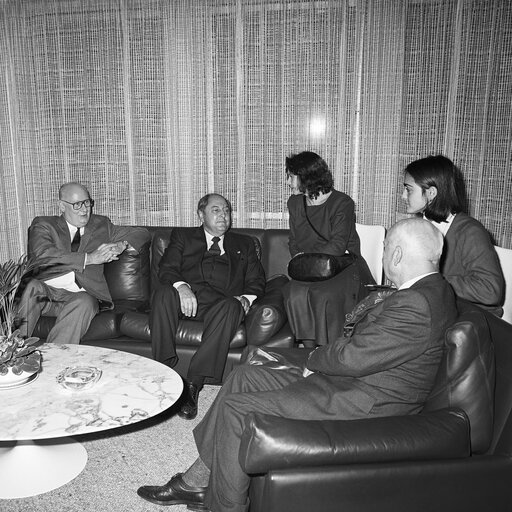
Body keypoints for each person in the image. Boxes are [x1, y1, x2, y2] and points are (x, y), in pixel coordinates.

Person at [137, 217, 458, 512]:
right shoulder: (430, 291)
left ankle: (223, 506)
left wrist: (314, 359)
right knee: (242, 377)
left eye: (387, 249)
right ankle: (196, 482)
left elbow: (350, 357)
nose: (384, 255)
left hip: (362, 400)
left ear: (398, 255)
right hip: (358, 380)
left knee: (237, 410)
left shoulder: (416, 302)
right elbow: (363, 351)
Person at [149, 193, 266, 420]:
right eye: (216, 210)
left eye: (226, 211)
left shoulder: (244, 243)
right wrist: (182, 288)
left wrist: (245, 298)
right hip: (184, 300)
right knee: (163, 293)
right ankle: (163, 371)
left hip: (220, 306)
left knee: (233, 306)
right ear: (201, 214)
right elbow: (167, 268)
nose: (223, 216)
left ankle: (193, 384)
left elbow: (257, 282)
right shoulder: (183, 236)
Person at [18, 182, 150, 345]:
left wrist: (121, 245)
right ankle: (13, 352)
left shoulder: (101, 225)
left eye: (87, 202)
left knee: (84, 302)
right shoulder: (44, 225)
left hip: (83, 295)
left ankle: (56, 359)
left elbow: (141, 233)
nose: (84, 209)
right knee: (32, 286)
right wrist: (90, 258)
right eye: (77, 204)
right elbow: (44, 255)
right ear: (62, 206)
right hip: (47, 294)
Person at [282, 151, 374, 346]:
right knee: (293, 293)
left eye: (291, 176)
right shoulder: (294, 203)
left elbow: (338, 246)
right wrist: (301, 261)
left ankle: (329, 351)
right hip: (309, 267)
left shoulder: (342, 203)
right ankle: (309, 353)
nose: (288, 182)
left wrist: (309, 260)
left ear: (306, 176)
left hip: (342, 266)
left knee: (323, 295)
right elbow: (293, 240)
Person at [403, 154, 505, 316]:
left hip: (471, 320)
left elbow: (490, 290)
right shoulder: (420, 226)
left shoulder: (471, 232)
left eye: (408, 189)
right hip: (435, 310)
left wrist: (430, 280)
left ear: (431, 193)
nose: (403, 196)